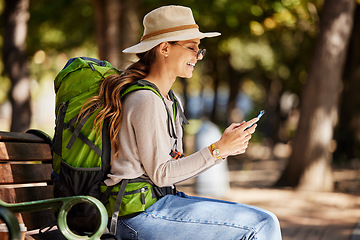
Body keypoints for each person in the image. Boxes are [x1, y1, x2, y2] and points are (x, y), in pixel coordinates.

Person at [86, 5, 282, 240]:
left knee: (263, 221)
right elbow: (161, 173)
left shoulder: (168, 99)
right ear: (164, 48)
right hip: (137, 216)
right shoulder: (145, 99)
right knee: (262, 224)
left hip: (158, 205)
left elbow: (169, 169)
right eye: (191, 48)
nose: (197, 56)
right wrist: (218, 150)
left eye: (199, 50)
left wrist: (223, 149)